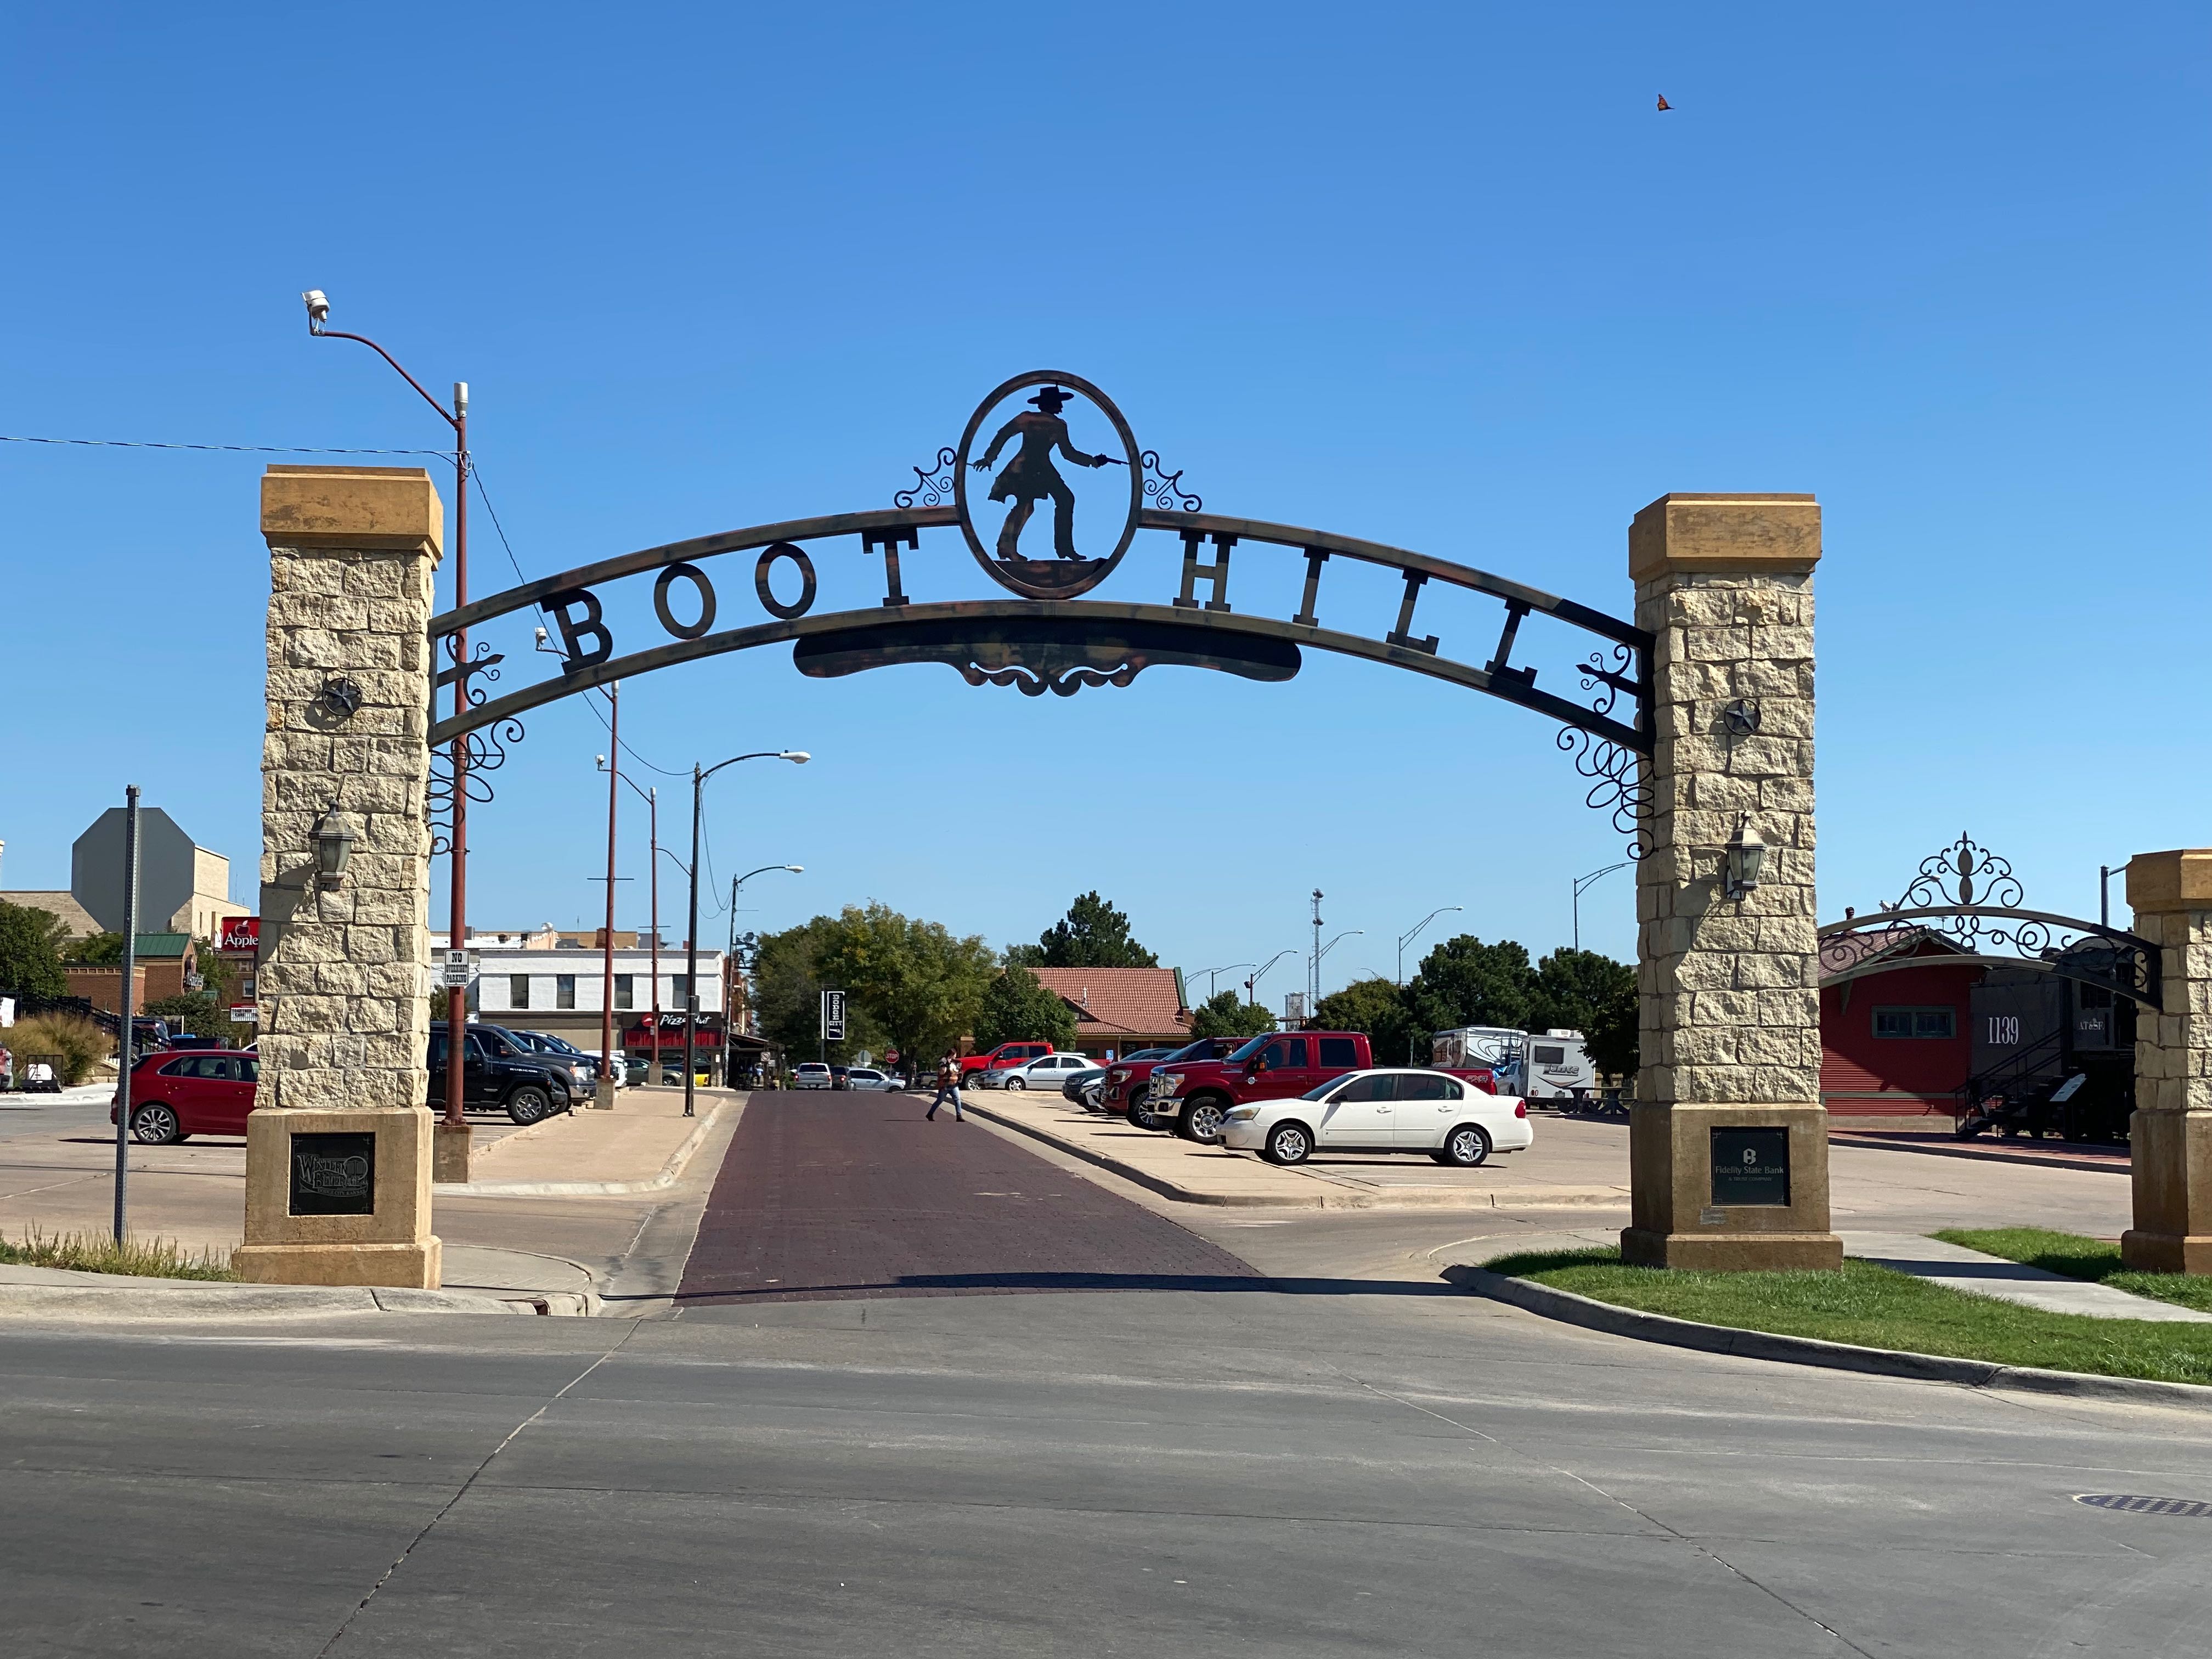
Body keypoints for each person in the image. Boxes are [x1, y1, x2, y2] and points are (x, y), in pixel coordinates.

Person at [971, 383, 1114, 561]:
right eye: (1059, 403)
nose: (1061, 407)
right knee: (1033, 505)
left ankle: (1061, 548)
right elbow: (1068, 454)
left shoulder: (1037, 420)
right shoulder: (1048, 423)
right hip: (1026, 468)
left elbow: (1004, 434)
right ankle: (1010, 547)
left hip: (1037, 468)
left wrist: (989, 457)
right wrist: (1093, 461)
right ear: (1051, 403)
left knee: (1058, 500)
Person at [926, 1052, 964, 1122]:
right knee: (940, 1100)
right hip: (944, 1085)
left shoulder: (955, 1062)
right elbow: (942, 1072)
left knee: (957, 1099)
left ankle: (959, 1116)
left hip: (954, 1084)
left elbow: (957, 1071)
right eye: (955, 1055)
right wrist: (946, 1065)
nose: (956, 1056)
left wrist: (959, 1075)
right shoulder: (943, 1061)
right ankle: (930, 1114)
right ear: (951, 1055)